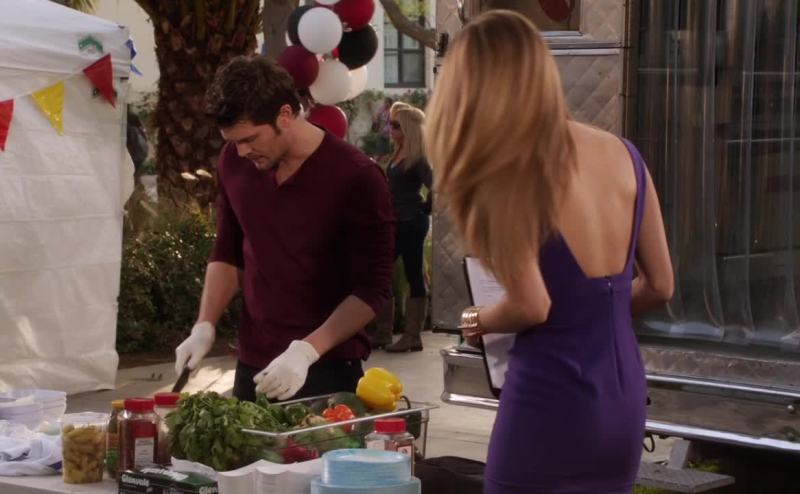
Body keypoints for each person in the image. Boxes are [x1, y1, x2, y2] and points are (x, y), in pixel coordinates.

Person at [425, 11, 674, 493]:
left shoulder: (509, 171)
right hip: (621, 398)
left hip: (550, 398)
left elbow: (531, 305)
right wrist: (591, 312)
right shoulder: (625, 154)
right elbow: (661, 286)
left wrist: (477, 319)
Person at [174, 56, 395, 403]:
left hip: (327, 367)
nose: (241, 151)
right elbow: (228, 252)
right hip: (252, 364)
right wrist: (204, 324)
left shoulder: (357, 177)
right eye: (233, 141)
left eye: (250, 139)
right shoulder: (234, 161)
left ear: (285, 115)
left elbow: (372, 290)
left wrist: (305, 351)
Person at [370, 106, 433, 352]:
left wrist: (425, 208)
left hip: (411, 222)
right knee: (381, 272)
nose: (390, 128)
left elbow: (436, 185)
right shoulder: (398, 153)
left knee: (413, 273)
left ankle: (412, 336)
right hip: (397, 221)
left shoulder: (417, 158)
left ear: (408, 129)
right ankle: (383, 332)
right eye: (391, 124)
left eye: (396, 125)